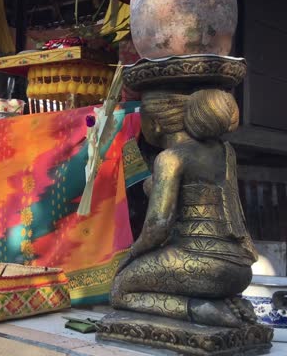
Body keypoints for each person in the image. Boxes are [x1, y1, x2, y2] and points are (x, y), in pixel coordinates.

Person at [109, 89, 258, 328]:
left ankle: (200, 310)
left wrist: (132, 253)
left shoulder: (171, 158)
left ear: (156, 124)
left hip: (200, 264)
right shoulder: (226, 153)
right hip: (240, 270)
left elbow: (158, 226)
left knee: (120, 289)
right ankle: (224, 302)